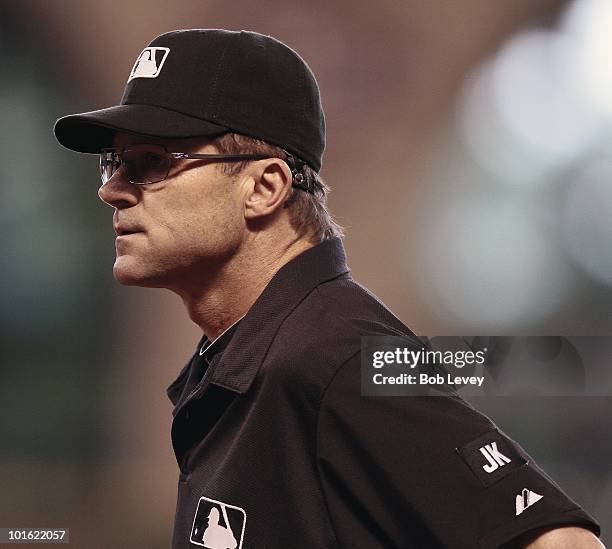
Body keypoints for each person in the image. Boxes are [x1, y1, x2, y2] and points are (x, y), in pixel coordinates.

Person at [54, 29, 604, 549]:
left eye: (150, 164)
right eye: (113, 165)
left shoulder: (332, 359)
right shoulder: (257, 354)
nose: (114, 192)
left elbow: (561, 542)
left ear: (264, 187)